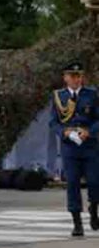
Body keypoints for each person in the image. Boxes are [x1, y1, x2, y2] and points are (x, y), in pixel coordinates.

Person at [48, 60, 99, 236]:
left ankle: (94, 209)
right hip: (70, 148)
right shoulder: (58, 96)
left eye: (79, 76)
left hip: (90, 146)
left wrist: (90, 132)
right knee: (73, 184)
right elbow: (53, 122)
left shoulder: (91, 94)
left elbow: (97, 118)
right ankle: (77, 222)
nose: (76, 79)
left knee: (94, 181)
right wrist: (65, 132)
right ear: (65, 78)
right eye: (72, 76)